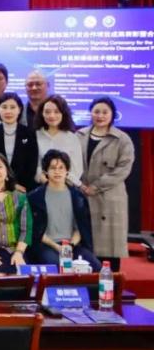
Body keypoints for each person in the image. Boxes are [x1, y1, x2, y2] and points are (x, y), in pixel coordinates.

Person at [77, 97, 135, 268]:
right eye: (96, 111)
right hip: (82, 194)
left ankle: (110, 282)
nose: (100, 116)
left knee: (109, 250)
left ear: (112, 114)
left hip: (109, 198)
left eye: (105, 112)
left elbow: (123, 168)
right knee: (85, 249)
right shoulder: (79, 135)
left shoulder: (122, 139)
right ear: (90, 113)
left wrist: (96, 186)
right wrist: (80, 185)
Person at [28, 150, 100, 271]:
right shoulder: (35, 197)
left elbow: (80, 228)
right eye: (53, 168)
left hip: (72, 245)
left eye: (61, 168)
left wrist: (69, 246)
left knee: (95, 266)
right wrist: (57, 247)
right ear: (45, 172)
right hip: (46, 245)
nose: (57, 171)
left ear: (67, 171)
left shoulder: (78, 197)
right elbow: (35, 231)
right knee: (56, 266)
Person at [0, 92, 39, 192]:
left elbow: (32, 165)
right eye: (4, 107)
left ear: (19, 110)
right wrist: (8, 184)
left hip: (23, 188)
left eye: (13, 107)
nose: (8, 111)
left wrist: (18, 186)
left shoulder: (30, 134)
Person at [34, 95, 82, 186]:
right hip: (40, 186)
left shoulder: (72, 138)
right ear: (42, 113)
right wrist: (45, 180)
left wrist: (61, 183)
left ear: (63, 113)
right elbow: (33, 165)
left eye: (56, 112)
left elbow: (77, 169)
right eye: (47, 112)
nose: (52, 116)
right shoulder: (35, 136)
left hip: (66, 187)